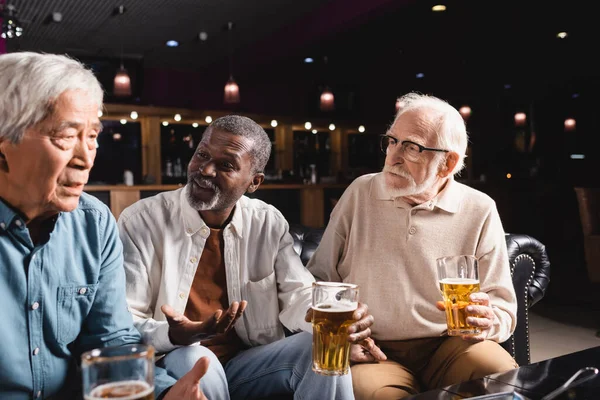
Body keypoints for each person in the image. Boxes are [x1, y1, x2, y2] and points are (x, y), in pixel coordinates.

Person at [119, 115, 385, 400]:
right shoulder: (142, 221)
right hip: (176, 360)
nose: (205, 170)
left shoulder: (267, 222)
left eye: (226, 165)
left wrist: (336, 320)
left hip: (247, 364)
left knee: (320, 345)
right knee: (197, 358)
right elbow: (123, 322)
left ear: (254, 182)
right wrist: (175, 335)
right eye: (202, 154)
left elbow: (298, 294)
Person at [0, 52, 209, 400]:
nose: (86, 159)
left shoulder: (94, 223)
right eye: (66, 137)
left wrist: (164, 393)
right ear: (4, 145)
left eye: (93, 136)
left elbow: (111, 339)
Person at [307, 93, 519, 399]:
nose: (393, 156)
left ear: (448, 163)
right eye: (392, 141)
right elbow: (320, 278)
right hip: (374, 347)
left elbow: (503, 306)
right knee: (378, 394)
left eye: (412, 147)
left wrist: (487, 322)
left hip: (451, 345)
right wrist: (341, 337)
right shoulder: (360, 193)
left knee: (500, 378)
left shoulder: (479, 208)